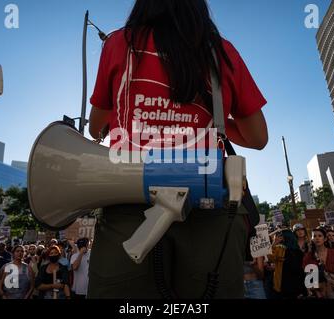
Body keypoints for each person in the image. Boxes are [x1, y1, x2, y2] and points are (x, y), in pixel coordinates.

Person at [87, 0, 268, 299]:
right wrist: (213, 126)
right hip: (208, 203)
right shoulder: (221, 52)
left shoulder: (120, 43)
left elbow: (97, 129)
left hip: (127, 199)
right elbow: (258, 137)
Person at [303, 227, 334, 299]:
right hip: (318, 291)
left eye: (320, 236)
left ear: (325, 239)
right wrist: (311, 293)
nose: (317, 238)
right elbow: (308, 280)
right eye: (314, 236)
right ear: (312, 239)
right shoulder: (309, 256)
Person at [268, 229, 306, 299]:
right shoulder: (299, 252)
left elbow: (269, 258)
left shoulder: (280, 249)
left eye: (281, 236)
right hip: (295, 285)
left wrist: (274, 243)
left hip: (283, 285)